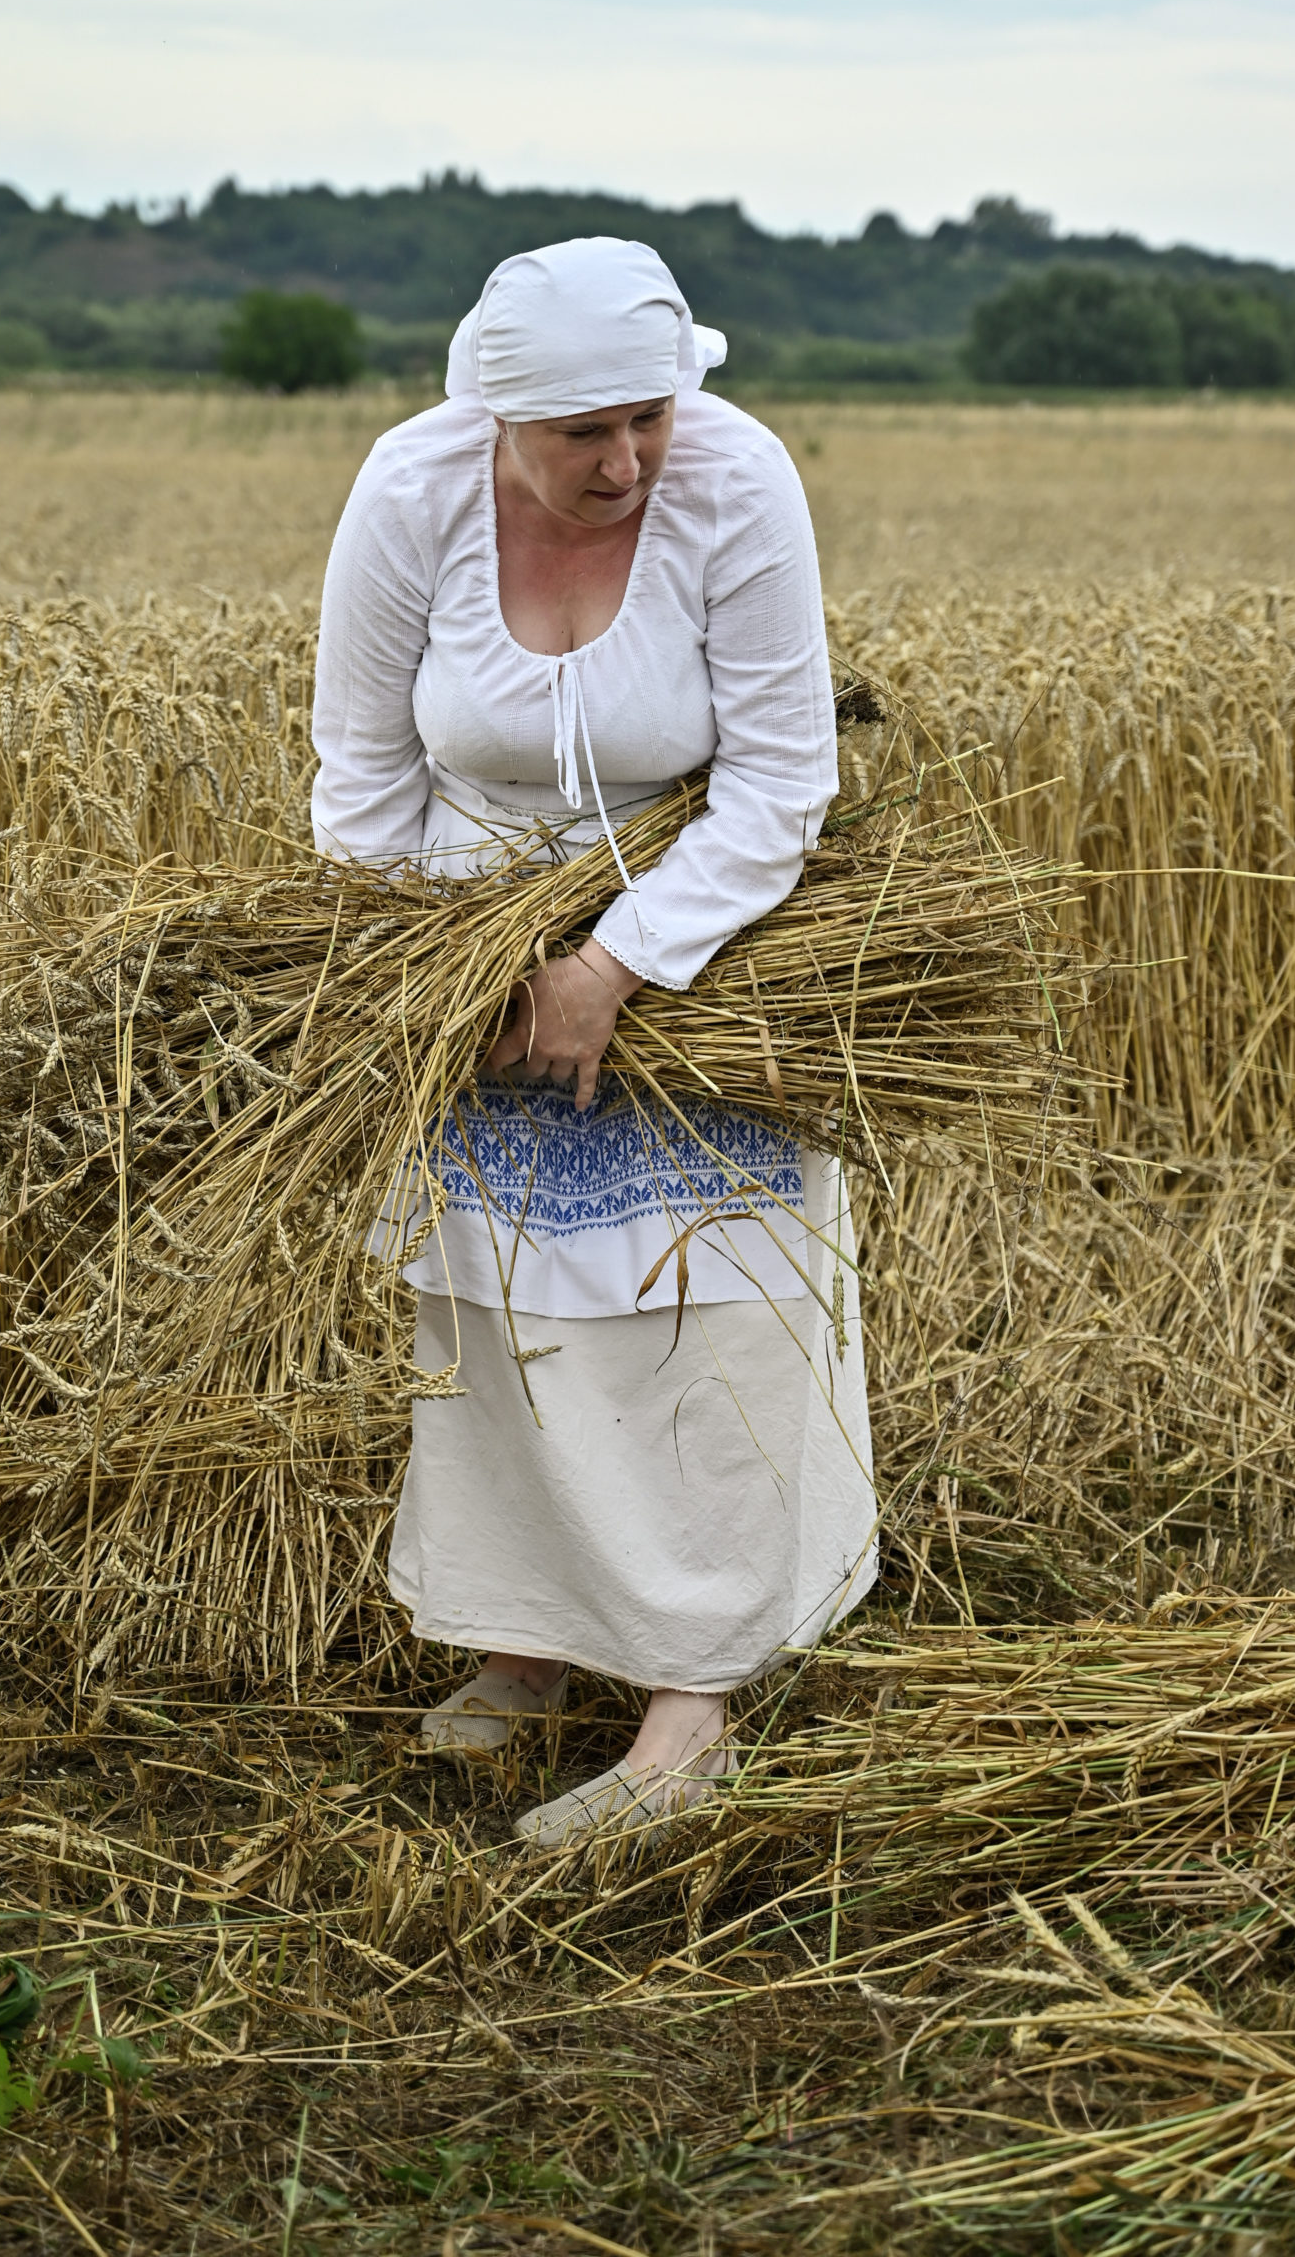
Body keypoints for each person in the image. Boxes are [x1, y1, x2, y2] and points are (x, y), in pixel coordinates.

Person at [311, 238, 877, 1847]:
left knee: (707, 1314)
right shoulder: (409, 491)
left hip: (703, 936)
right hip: (467, 956)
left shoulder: (735, 481)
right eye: (583, 434)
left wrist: (615, 965)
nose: (625, 460)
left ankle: (688, 1705)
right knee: (503, 1311)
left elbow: (780, 783)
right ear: (498, 418)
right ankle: (527, 1643)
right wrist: (443, 973)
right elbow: (360, 774)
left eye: (647, 417)